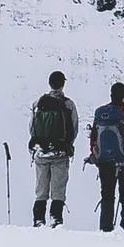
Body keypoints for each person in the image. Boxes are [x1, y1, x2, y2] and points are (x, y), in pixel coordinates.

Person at [88, 79, 124, 234]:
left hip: (105, 161)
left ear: (111, 95)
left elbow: (94, 136)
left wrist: (97, 156)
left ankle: (105, 228)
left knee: (107, 194)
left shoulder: (102, 113)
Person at [27, 70, 77, 225]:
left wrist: (40, 144)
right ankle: (56, 219)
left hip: (41, 153)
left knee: (41, 190)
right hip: (60, 153)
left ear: (49, 84)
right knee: (58, 190)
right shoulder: (68, 104)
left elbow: (32, 128)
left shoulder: (38, 103)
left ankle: (38, 219)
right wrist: (65, 144)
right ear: (63, 84)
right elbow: (74, 129)